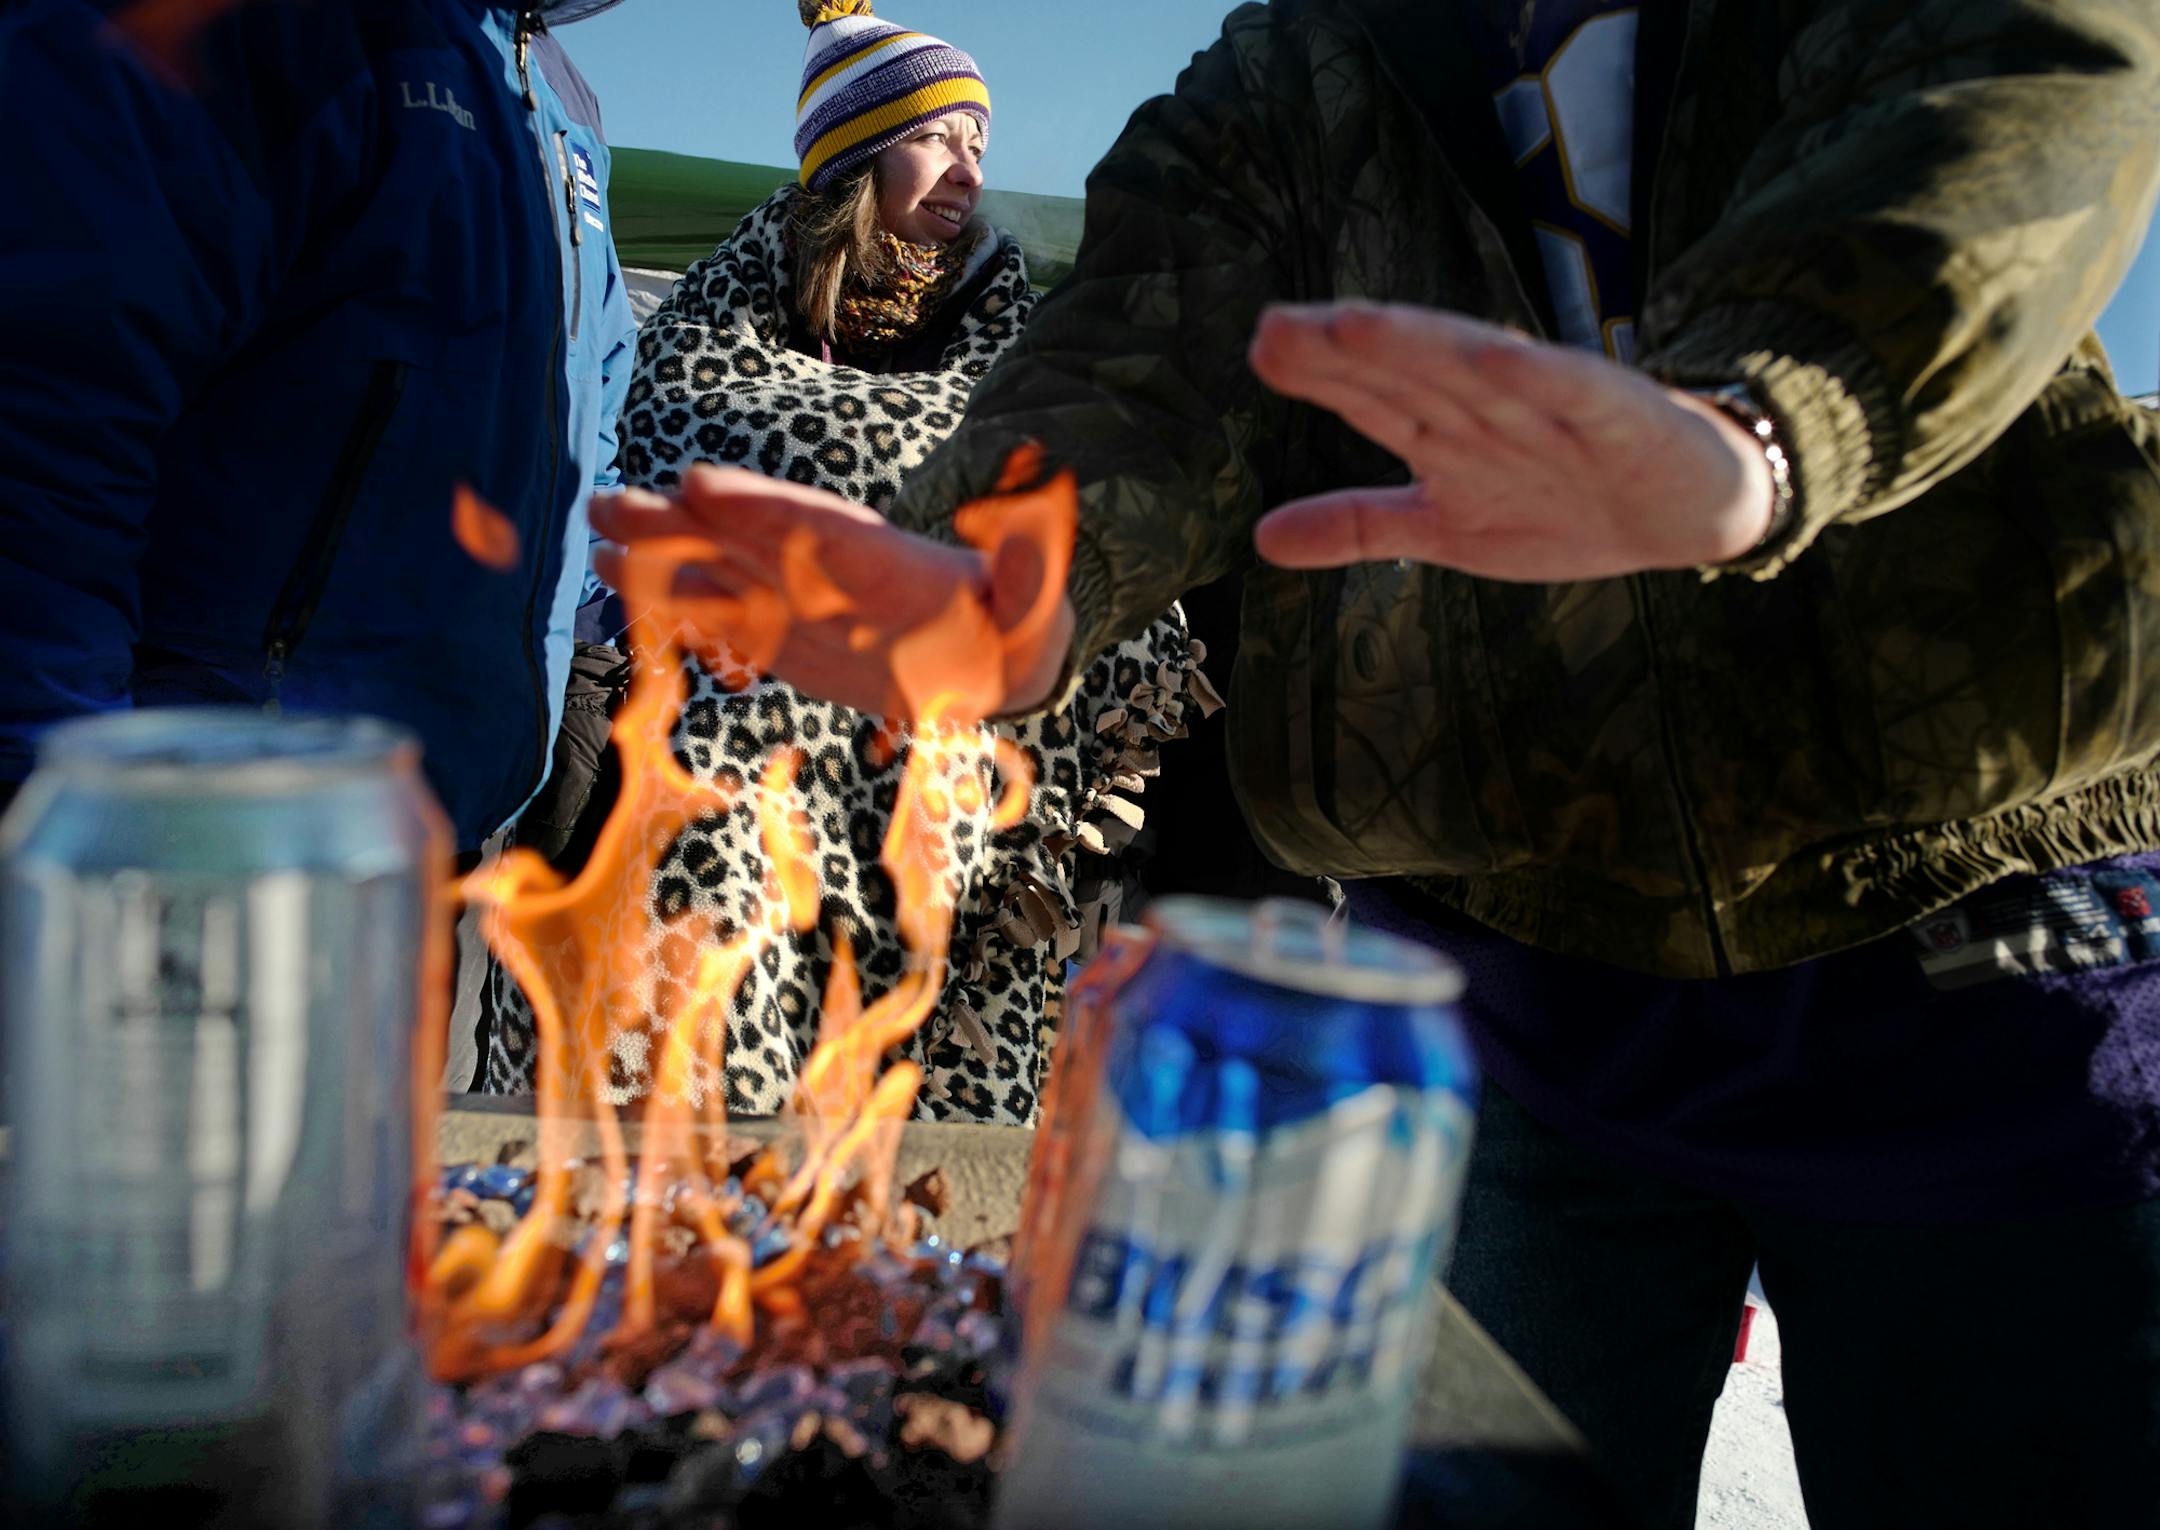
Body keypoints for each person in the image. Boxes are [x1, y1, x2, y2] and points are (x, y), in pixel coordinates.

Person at [591, 0, 2160, 1523]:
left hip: (1979, 945)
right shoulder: (1294, 67)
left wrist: (1772, 414)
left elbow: (2014, 91)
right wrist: (1014, 563)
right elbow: (1140, 354)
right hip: (1511, 997)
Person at [473, 0, 1212, 1123]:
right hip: (724, 816)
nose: (968, 168)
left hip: (942, 824)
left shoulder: (1025, 366)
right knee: (707, 1130)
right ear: (858, 156)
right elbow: (625, 525)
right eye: (938, 135)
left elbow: (1086, 558)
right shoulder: (697, 343)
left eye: (979, 141)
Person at [0, 0, 639, 856]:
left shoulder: (565, 101)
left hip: (436, 825)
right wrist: (57, 784)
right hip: (204, 816)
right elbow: (53, 400)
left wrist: (608, 641)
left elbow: (583, 435)